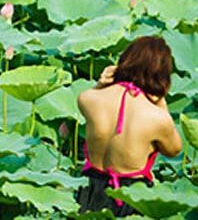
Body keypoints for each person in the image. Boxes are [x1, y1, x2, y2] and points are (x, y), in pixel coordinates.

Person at [76, 36, 182, 216]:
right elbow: (174, 150)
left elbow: (89, 96)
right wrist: (160, 99)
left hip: (89, 188)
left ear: (124, 61)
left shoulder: (88, 99)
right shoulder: (157, 117)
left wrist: (100, 85)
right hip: (131, 196)